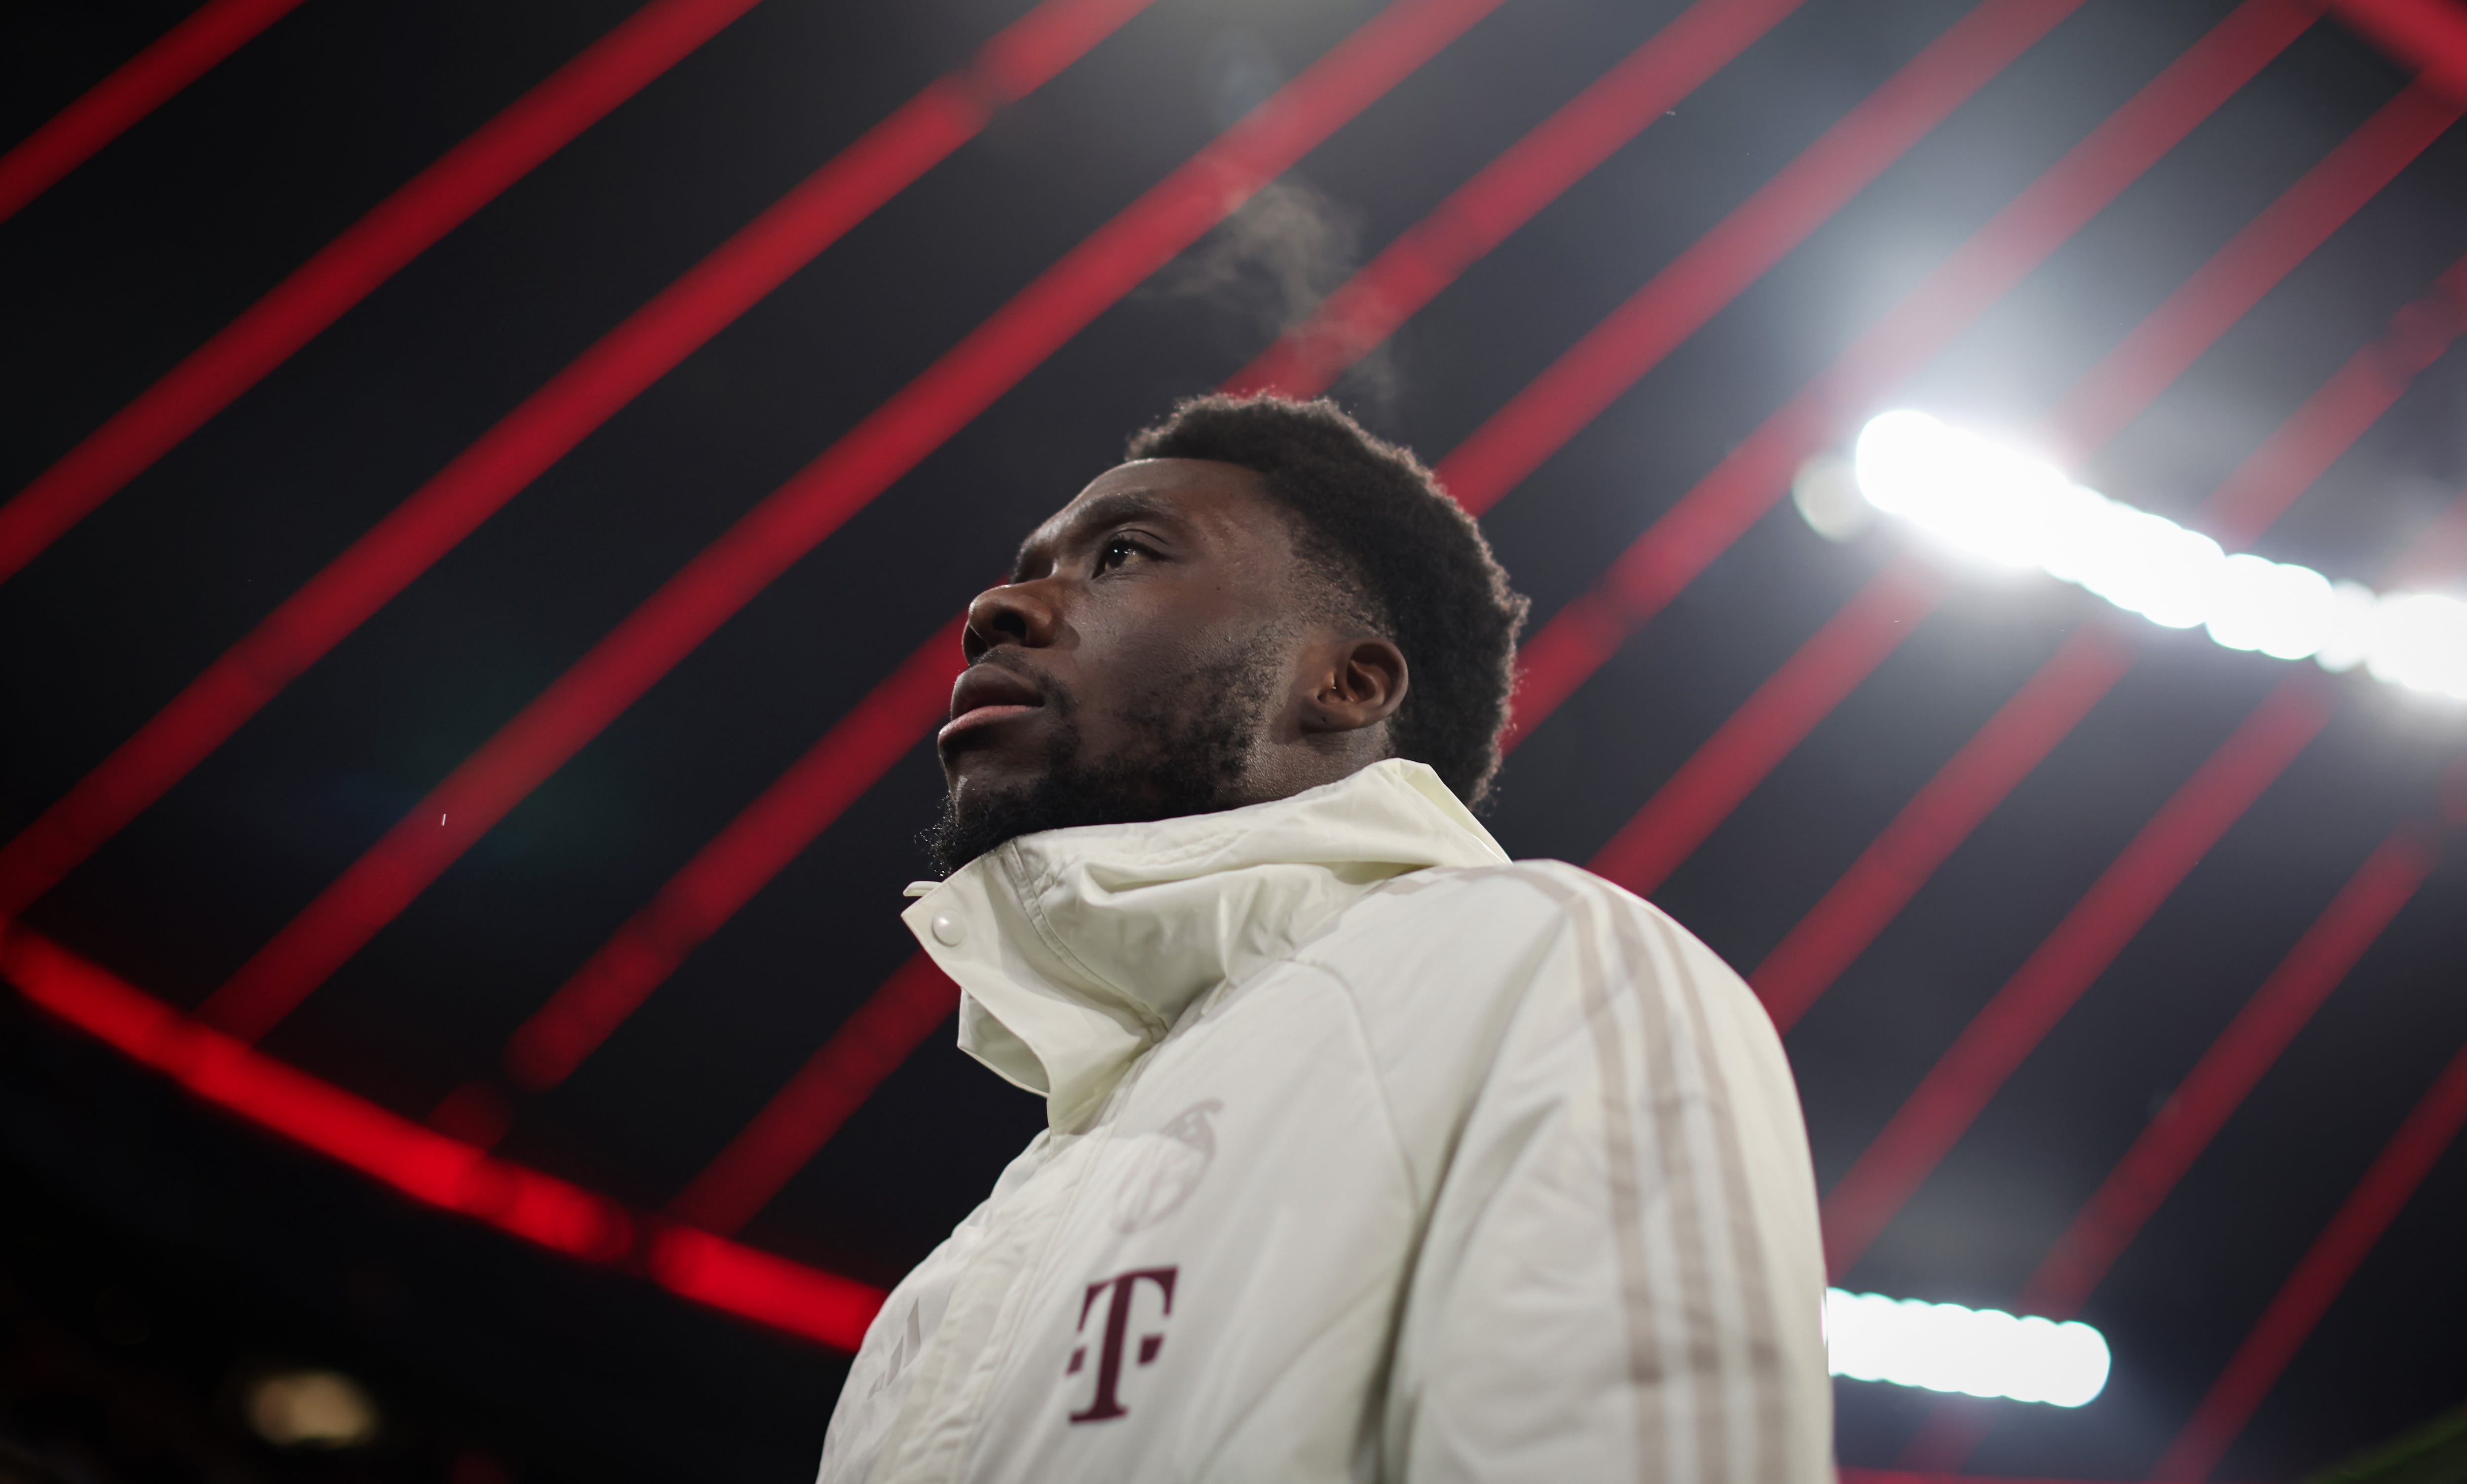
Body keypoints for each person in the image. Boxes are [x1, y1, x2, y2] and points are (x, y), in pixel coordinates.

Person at [818, 394, 1832, 1483]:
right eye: (1031, 565)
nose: (996, 607)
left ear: (1345, 684)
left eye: (1119, 555)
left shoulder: (1538, 962)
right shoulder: (953, 1277)